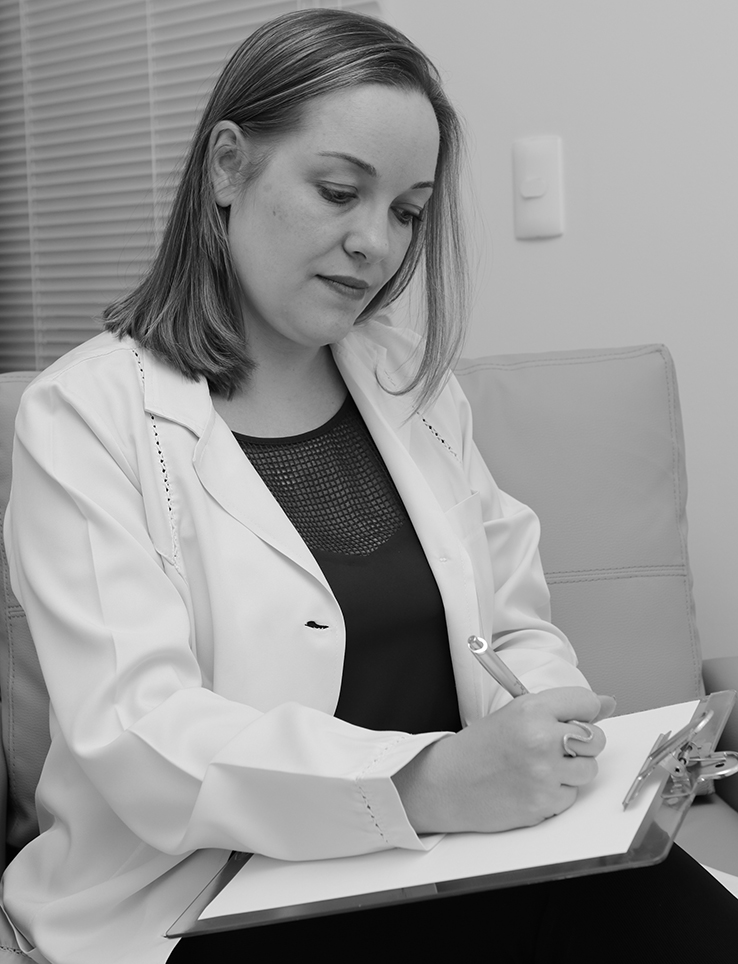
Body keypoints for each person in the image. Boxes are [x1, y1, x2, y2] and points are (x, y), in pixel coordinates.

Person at [1, 9, 736, 964]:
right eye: (340, 192)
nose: (376, 244)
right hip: (205, 897)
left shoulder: (407, 382)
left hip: (444, 858)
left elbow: (513, 627)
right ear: (227, 166)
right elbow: (141, 735)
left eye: (406, 212)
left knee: (673, 911)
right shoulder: (84, 416)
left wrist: (547, 729)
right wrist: (424, 779)